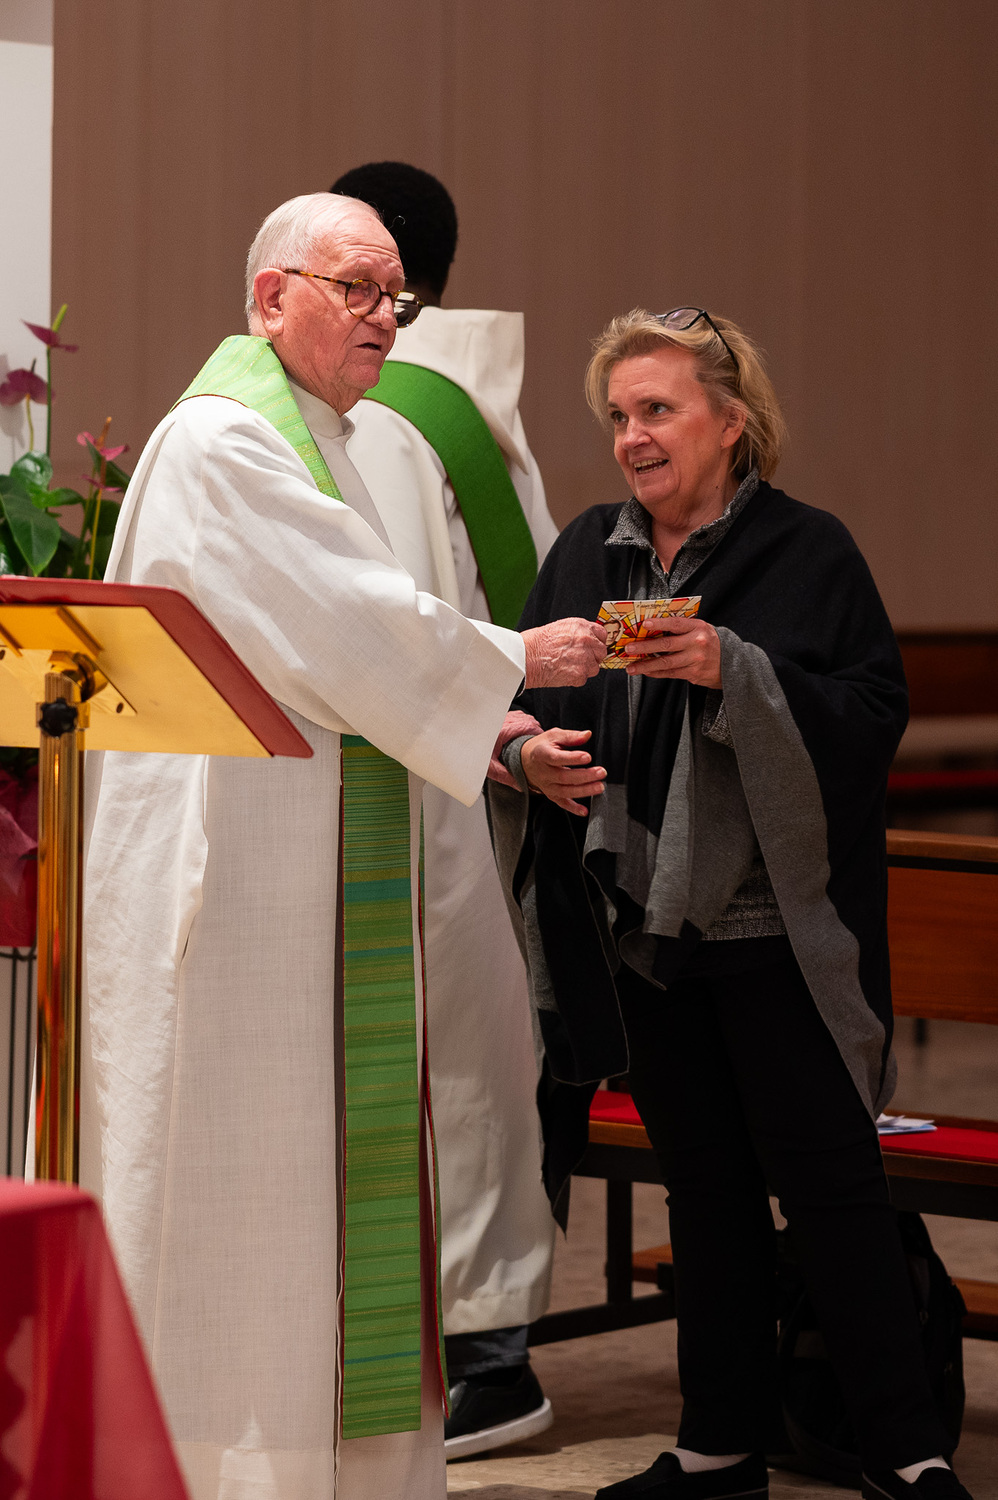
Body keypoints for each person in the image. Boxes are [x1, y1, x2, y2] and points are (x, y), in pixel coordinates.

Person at [78, 191, 605, 1500]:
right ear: (272, 298)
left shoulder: (326, 436)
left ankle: (326, 1459)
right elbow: (348, 618)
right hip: (238, 884)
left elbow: (343, 635)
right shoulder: (226, 438)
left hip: (305, 868)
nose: (384, 317)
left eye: (394, 296)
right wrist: (512, 659)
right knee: (244, 1178)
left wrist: (484, 719)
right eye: (355, 289)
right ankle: (227, 1463)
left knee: (313, 1180)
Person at [486, 307, 974, 1500]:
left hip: (773, 937)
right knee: (702, 1191)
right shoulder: (586, 553)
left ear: (731, 423)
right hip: (640, 934)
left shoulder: (808, 553)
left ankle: (905, 1455)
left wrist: (733, 673)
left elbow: (868, 719)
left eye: (657, 410)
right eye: (617, 416)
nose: (632, 438)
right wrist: (524, 757)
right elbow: (513, 691)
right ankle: (715, 1449)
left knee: (830, 1191)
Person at [332, 160, 557, 1457]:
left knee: (451, 1067)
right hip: (462, 769)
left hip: (434, 786)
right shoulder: (452, 397)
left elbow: (406, 618)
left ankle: (487, 1358)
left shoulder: (392, 414)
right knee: (458, 1063)